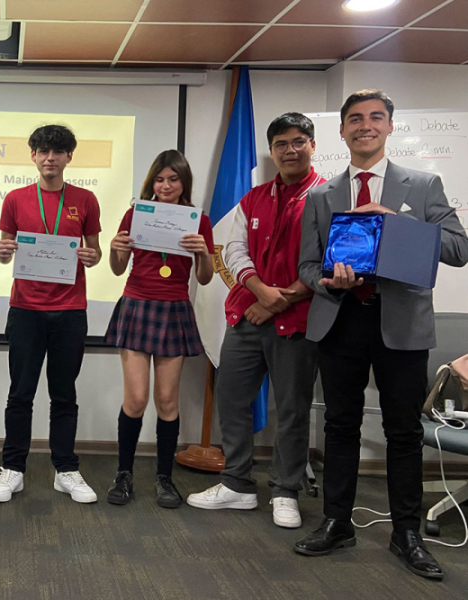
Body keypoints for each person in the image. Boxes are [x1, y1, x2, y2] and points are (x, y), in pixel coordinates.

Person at [295, 90, 468, 579]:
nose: (364, 125)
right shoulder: (321, 195)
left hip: (401, 323)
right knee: (340, 427)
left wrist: (403, 227)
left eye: (375, 117)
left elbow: (459, 248)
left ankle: (407, 534)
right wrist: (325, 280)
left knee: (404, 432)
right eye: (354, 119)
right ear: (343, 131)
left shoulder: (424, 184)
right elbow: (307, 265)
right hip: (340, 318)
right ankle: (336, 522)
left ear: (390, 126)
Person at [187, 113, 324, 529]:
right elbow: (234, 251)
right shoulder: (254, 197)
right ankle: (238, 485)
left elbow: (330, 259)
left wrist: (278, 300)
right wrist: (261, 291)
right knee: (231, 400)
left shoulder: (330, 196)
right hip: (247, 315)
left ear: (312, 145)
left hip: (297, 321)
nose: (290, 150)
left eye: (298, 141)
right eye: (281, 144)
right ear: (271, 151)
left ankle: (285, 490)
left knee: (292, 408)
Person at [0, 124, 102, 504]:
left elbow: (95, 251)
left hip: (70, 310)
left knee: (64, 395)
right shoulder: (16, 198)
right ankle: (13, 469)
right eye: (41, 151)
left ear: (69, 157)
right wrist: (4, 254)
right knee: (20, 394)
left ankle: (65, 469)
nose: (49, 157)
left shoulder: (85, 200)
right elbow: (4, 248)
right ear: (33, 155)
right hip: (25, 310)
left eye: (57, 152)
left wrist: (92, 256)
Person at [104, 150, 213, 508]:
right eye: (160, 179)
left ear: (184, 182)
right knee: (135, 399)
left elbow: (205, 277)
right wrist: (115, 249)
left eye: (173, 179)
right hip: (137, 304)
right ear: (152, 182)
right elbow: (119, 269)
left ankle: (164, 477)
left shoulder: (200, 221)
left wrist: (203, 254)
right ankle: (124, 474)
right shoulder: (137, 213)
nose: (166, 186)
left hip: (174, 308)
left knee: (166, 400)